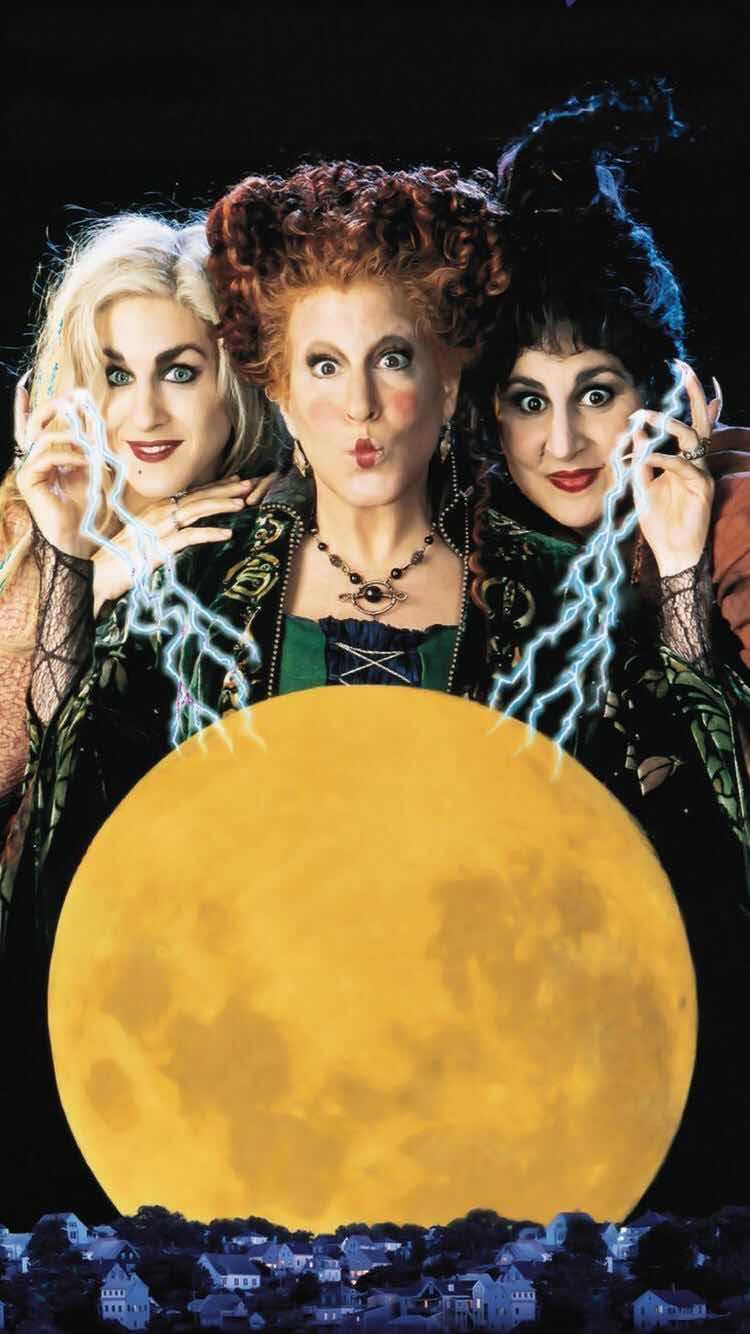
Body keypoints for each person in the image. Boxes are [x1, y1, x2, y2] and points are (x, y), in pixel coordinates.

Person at [10, 161, 750, 1221]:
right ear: (275, 387)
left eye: (391, 359)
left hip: (503, 1125)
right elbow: (68, 850)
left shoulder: (554, 594)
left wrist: (679, 580)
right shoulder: (198, 590)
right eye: (323, 364)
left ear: (449, 379)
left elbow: (700, 863)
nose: (357, 406)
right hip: (244, 1118)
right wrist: (66, 561)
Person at [467, 87, 750, 1214]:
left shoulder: (731, 520)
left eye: (596, 392)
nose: (564, 441)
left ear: (660, 393)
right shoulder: (472, 540)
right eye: (526, 401)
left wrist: (679, 572)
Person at [0, 210, 269, 1224]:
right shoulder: (25, 517)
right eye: (115, 373)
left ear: (233, 378)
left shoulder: (288, 521)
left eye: (179, 371)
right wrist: (87, 567)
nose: (145, 411)